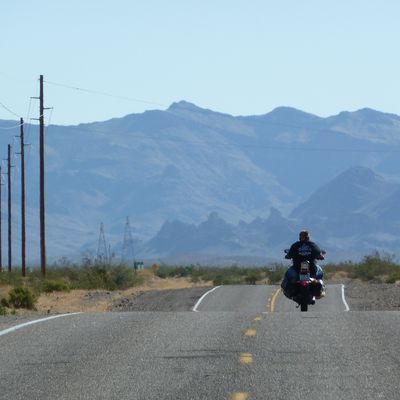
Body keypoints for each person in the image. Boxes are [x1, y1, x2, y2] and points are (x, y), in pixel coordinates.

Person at [281, 230, 325, 299]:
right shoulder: (312, 245)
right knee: (320, 273)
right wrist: (321, 256)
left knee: (287, 276)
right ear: (308, 237)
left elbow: (289, 254)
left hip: (297, 269)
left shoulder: (295, 245)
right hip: (311, 269)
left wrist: (288, 256)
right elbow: (319, 253)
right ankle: (321, 290)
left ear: (300, 237)